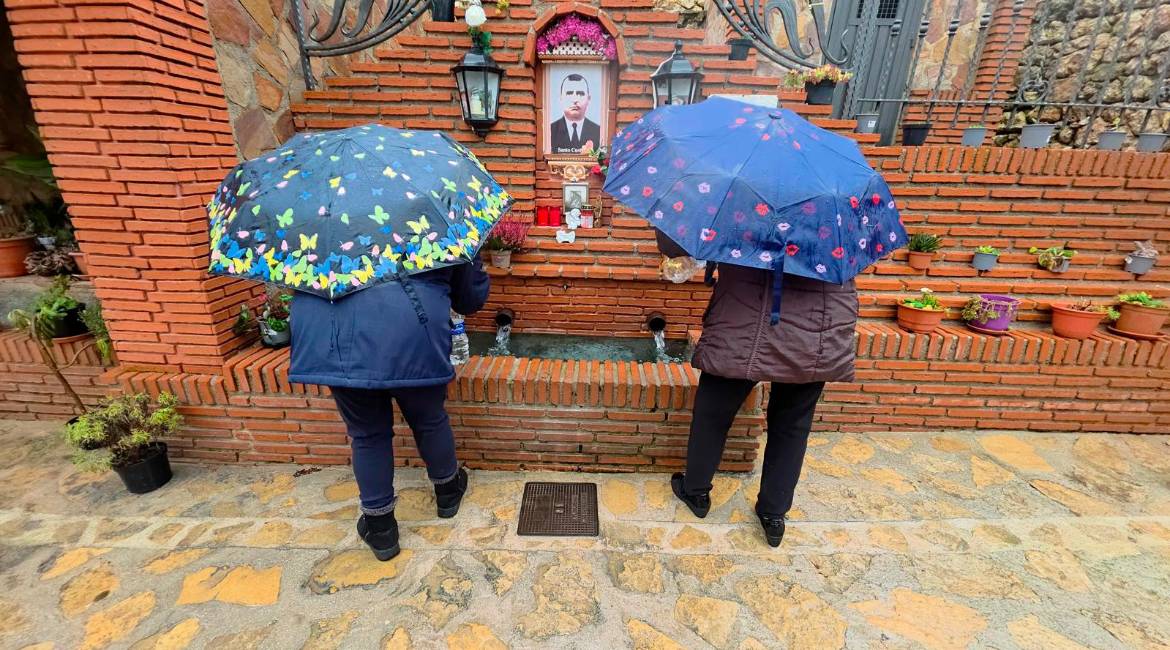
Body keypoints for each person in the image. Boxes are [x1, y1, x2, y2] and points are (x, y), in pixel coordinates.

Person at [288, 256, 490, 561]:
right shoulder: (433, 221)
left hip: (337, 339)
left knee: (368, 435)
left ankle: (381, 529)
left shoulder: (319, 226)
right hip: (414, 332)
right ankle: (448, 492)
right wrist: (475, 267)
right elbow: (470, 299)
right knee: (429, 419)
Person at [662, 240, 857, 548]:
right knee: (792, 426)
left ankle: (696, 491)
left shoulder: (746, 204)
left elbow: (678, 246)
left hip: (743, 321)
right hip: (816, 331)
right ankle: (774, 514)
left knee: (713, 413)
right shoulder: (837, 215)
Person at [550, 74, 601, 154]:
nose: (575, 99)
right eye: (569, 93)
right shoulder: (550, 131)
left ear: (588, 99)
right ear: (561, 98)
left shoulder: (599, 132)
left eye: (580, 93)